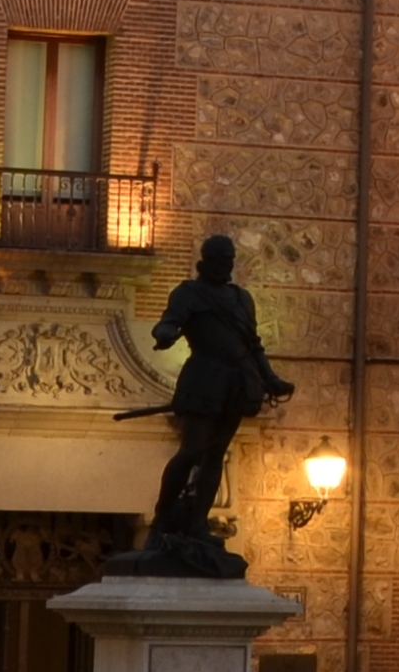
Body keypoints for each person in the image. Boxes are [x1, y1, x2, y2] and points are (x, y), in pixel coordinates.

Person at [118, 232, 294, 574]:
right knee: (192, 450)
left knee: (216, 454)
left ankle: (198, 523)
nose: (224, 266)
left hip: (238, 381)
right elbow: (170, 322)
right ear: (206, 259)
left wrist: (269, 377)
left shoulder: (242, 299)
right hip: (203, 377)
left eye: (229, 260)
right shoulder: (189, 293)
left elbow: (253, 344)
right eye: (219, 259)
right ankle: (161, 519)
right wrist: (163, 334)